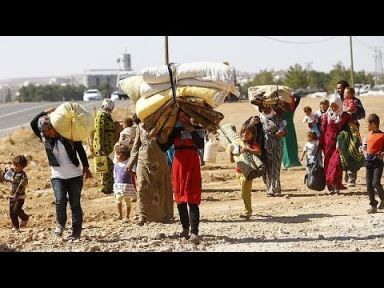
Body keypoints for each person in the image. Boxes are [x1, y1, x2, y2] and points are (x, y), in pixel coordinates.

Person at [30, 108, 92, 240]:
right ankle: (60, 225)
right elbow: (32, 123)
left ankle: (76, 232)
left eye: (49, 131)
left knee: (75, 204)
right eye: (45, 132)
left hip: (75, 175)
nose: (47, 134)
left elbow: (80, 150)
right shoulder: (44, 137)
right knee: (60, 200)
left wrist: (86, 167)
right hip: (57, 175)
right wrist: (45, 112)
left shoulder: (68, 134)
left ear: (54, 127)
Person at [159, 109, 205, 242]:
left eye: (186, 115)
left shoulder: (197, 129)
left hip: (193, 165)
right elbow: (163, 147)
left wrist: (191, 130)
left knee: (193, 197)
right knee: (180, 198)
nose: (184, 118)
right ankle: (185, 229)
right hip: (179, 166)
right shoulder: (174, 131)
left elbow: (200, 144)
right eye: (181, 116)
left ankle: (194, 231)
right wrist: (158, 136)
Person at [126, 121, 174, 225]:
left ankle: (164, 215)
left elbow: (165, 141)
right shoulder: (139, 127)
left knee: (160, 187)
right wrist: (130, 163)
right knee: (142, 185)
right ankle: (142, 216)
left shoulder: (162, 123)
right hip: (143, 160)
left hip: (159, 160)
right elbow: (136, 146)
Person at [246, 104, 287, 197]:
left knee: (275, 167)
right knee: (265, 168)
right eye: (264, 108)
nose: (267, 110)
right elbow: (250, 129)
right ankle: (269, 189)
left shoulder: (278, 118)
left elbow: (284, 130)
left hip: (276, 147)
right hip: (262, 147)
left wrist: (282, 132)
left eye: (269, 108)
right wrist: (253, 123)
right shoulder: (258, 118)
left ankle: (276, 189)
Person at [319, 95, 351, 194]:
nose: (333, 108)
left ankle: (337, 185)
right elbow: (322, 130)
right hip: (327, 144)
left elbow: (350, 128)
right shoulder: (325, 116)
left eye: (335, 106)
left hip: (339, 143)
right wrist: (320, 144)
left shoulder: (345, 116)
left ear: (339, 105)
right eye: (332, 106)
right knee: (328, 164)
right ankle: (330, 186)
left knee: (337, 163)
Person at [336, 80, 366, 187]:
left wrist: (350, 115)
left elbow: (362, 114)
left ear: (346, 88)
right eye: (337, 88)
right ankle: (344, 175)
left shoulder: (355, 100)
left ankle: (352, 178)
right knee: (342, 152)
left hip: (352, 129)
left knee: (353, 150)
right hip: (340, 130)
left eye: (340, 88)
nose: (338, 90)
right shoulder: (337, 100)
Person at [230, 123, 261, 220]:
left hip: (247, 173)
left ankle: (247, 212)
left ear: (252, 135)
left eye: (247, 133)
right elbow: (232, 160)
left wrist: (247, 149)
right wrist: (231, 153)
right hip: (238, 172)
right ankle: (247, 209)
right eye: (243, 133)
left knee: (244, 193)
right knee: (245, 192)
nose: (244, 135)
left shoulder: (252, 144)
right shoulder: (238, 145)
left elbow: (258, 151)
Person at [361, 114, 384, 213]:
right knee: (369, 185)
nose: (366, 126)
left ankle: (383, 199)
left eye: (367, 124)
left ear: (373, 124)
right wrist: (364, 152)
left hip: (378, 163)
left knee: (376, 183)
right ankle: (373, 205)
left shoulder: (383, 136)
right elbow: (364, 147)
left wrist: (383, 154)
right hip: (368, 162)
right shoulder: (367, 136)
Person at [2, 155, 29, 232]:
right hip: (11, 196)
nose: (15, 167)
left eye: (17, 166)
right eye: (14, 165)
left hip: (19, 197)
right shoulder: (13, 173)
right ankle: (16, 227)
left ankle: (25, 217)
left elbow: (21, 187)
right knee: (11, 213)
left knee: (16, 210)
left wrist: (15, 196)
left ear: (22, 166)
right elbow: (5, 178)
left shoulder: (23, 176)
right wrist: (6, 170)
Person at [93, 99, 116, 194]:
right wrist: (100, 146)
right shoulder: (101, 115)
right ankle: (104, 188)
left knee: (110, 165)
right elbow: (99, 131)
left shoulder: (106, 115)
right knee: (103, 166)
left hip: (109, 146)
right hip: (103, 146)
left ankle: (109, 186)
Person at [113, 143, 137, 222]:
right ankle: (120, 215)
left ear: (125, 155)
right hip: (118, 186)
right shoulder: (116, 164)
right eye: (116, 154)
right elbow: (115, 174)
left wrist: (130, 172)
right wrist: (115, 183)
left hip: (127, 186)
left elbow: (135, 174)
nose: (117, 156)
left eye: (118, 154)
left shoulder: (129, 164)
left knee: (127, 201)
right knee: (118, 200)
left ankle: (127, 216)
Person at [281, 93, 302, 168]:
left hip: (288, 128)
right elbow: (298, 97)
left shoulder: (283, 109)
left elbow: (298, 97)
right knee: (286, 145)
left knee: (290, 144)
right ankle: (288, 162)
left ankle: (291, 162)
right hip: (285, 128)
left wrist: (290, 94)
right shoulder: (283, 109)